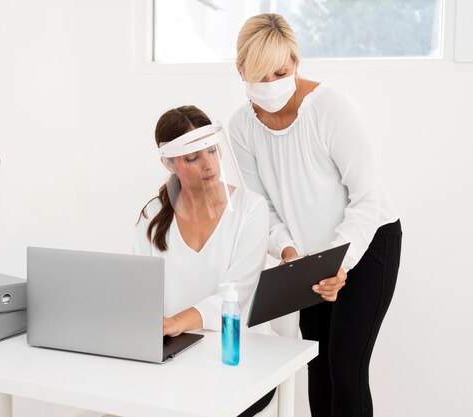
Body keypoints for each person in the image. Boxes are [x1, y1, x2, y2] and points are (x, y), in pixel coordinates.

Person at [229, 13, 402, 417]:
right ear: (240, 71)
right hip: (308, 258)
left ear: (296, 61)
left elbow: (366, 197)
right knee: (318, 367)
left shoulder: (332, 109)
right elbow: (262, 207)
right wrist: (289, 254)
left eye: (280, 72)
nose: (271, 85)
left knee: (346, 370)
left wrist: (340, 263)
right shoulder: (242, 127)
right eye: (260, 77)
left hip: (369, 242)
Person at [135, 105, 277, 416]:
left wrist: (175, 322)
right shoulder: (152, 217)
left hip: (239, 356)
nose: (208, 164)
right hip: (176, 356)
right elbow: (141, 293)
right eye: (193, 157)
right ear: (170, 163)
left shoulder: (250, 209)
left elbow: (236, 295)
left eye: (212, 151)